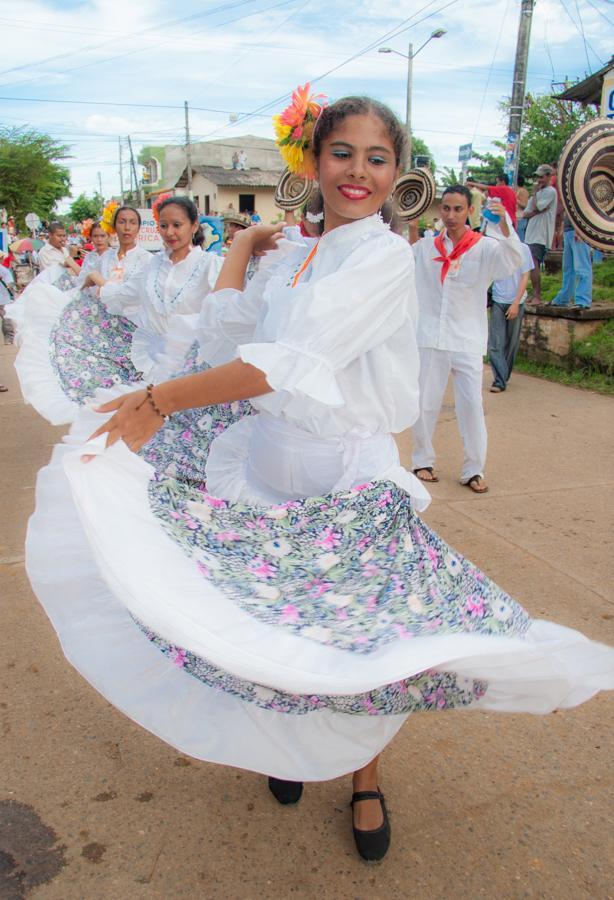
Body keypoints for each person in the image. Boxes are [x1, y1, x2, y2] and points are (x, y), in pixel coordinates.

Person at [22, 92, 614, 868]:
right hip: (265, 468)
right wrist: (244, 251)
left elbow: (283, 361)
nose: (358, 171)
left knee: (363, 647)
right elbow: (231, 332)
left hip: (345, 483)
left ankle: (365, 777)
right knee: (278, 633)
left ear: (398, 173)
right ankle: (300, 746)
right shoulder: (291, 253)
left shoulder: (382, 256)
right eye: (342, 153)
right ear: (312, 161)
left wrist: (158, 402)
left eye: (377, 157)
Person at [409, 184, 523, 493]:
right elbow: (400, 263)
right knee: (425, 403)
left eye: (458, 209)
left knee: (471, 405)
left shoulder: (484, 248)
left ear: (469, 211)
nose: (451, 215)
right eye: (446, 208)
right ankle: (421, 460)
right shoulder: (426, 247)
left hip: (467, 339)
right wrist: (408, 220)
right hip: (431, 336)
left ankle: (474, 469)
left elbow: (514, 260)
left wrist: (505, 224)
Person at [12, 205, 151, 426]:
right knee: (103, 384)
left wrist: (98, 281)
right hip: (104, 329)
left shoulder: (145, 260)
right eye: (122, 221)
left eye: (132, 222)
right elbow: (87, 287)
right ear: (114, 226)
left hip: (133, 329)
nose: (127, 227)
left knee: (135, 385)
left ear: (139, 228)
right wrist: (89, 285)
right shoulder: (106, 258)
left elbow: (132, 295)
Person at [87, 196, 222, 378]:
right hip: (156, 362)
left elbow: (227, 306)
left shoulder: (210, 264)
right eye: (164, 226)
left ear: (194, 226)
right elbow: (123, 295)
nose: (170, 232)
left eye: (177, 225)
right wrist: (95, 278)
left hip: (196, 364)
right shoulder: (152, 265)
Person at [488, 242, 534, 392]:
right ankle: (500, 380)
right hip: (498, 300)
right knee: (495, 343)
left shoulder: (523, 248)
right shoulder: (493, 247)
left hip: (516, 301)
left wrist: (515, 303)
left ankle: (503, 375)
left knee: (511, 342)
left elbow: (525, 276)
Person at [520, 165, 557, 304]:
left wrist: (535, 201)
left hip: (540, 234)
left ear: (548, 177)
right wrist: (536, 209)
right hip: (531, 233)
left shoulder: (550, 192)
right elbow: (526, 213)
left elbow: (538, 207)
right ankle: (533, 293)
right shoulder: (538, 194)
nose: (539, 180)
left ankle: (537, 295)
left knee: (534, 263)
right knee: (529, 264)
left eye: (541, 177)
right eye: (538, 177)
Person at [551, 215, 593, 309]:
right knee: (568, 268)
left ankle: (583, 300)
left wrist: (580, 228)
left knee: (581, 267)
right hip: (569, 229)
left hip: (579, 229)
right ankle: (564, 298)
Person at [515, 175, 529, 241]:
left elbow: (524, 205)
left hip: (520, 217)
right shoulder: (518, 190)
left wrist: (515, 199)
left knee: (519, 238)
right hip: (517, 217)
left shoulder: (522, 191)